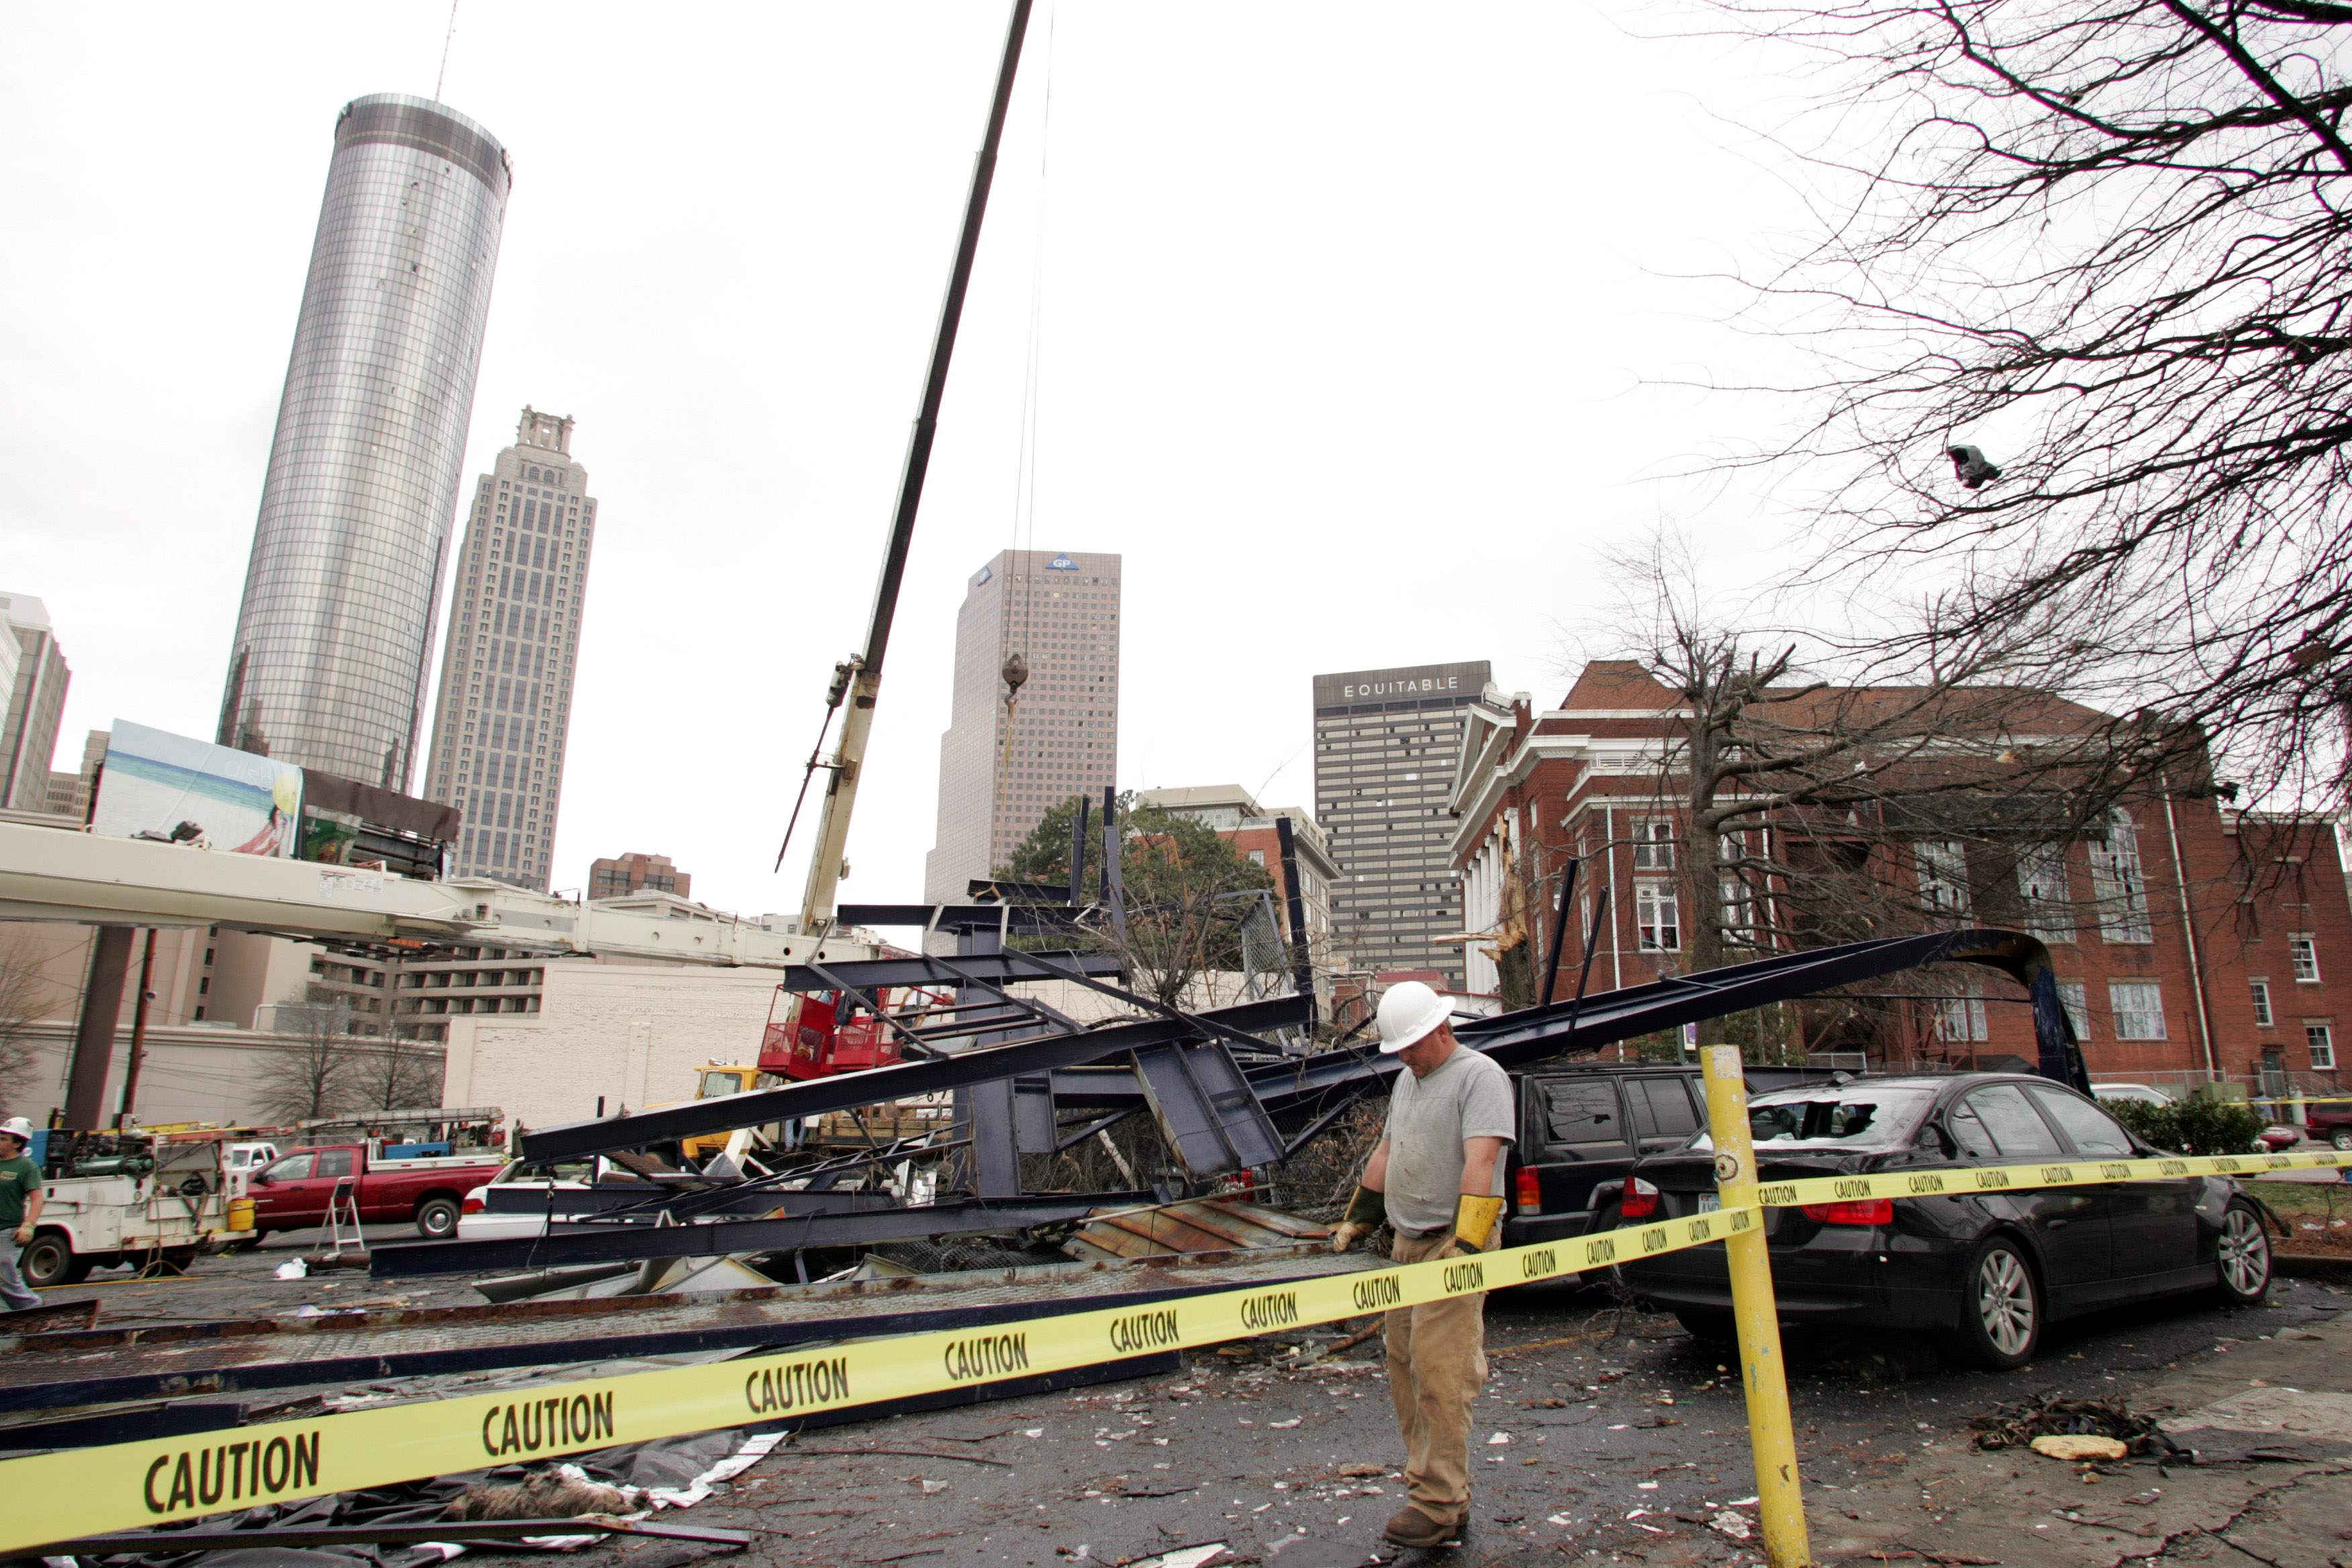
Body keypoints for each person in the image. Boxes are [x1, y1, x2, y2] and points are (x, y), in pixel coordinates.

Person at [1330, 981, 1513, 1548]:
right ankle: (1438, 1494)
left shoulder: (1480, 1076)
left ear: (1440, 1029)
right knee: (1406, 1368)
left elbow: (1482, 1159)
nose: (1404, 1056)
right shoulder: (1409, 1082)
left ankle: (1436, 1504)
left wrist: (1468, 1243)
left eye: (1410, 1045)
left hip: (1451, 1243)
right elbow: (1388, 1151)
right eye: (1399, 1048)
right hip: (1407, 1243)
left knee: (1442, 1373)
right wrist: (1361, 1214)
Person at [0, 1117, 46, 1312]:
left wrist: (29, 1225)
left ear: (17, 1143)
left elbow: (37, 1198)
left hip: (7, 1230)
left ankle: (32, 1309)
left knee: (2, 1271)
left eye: (3, 1139)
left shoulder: (25, 1167)